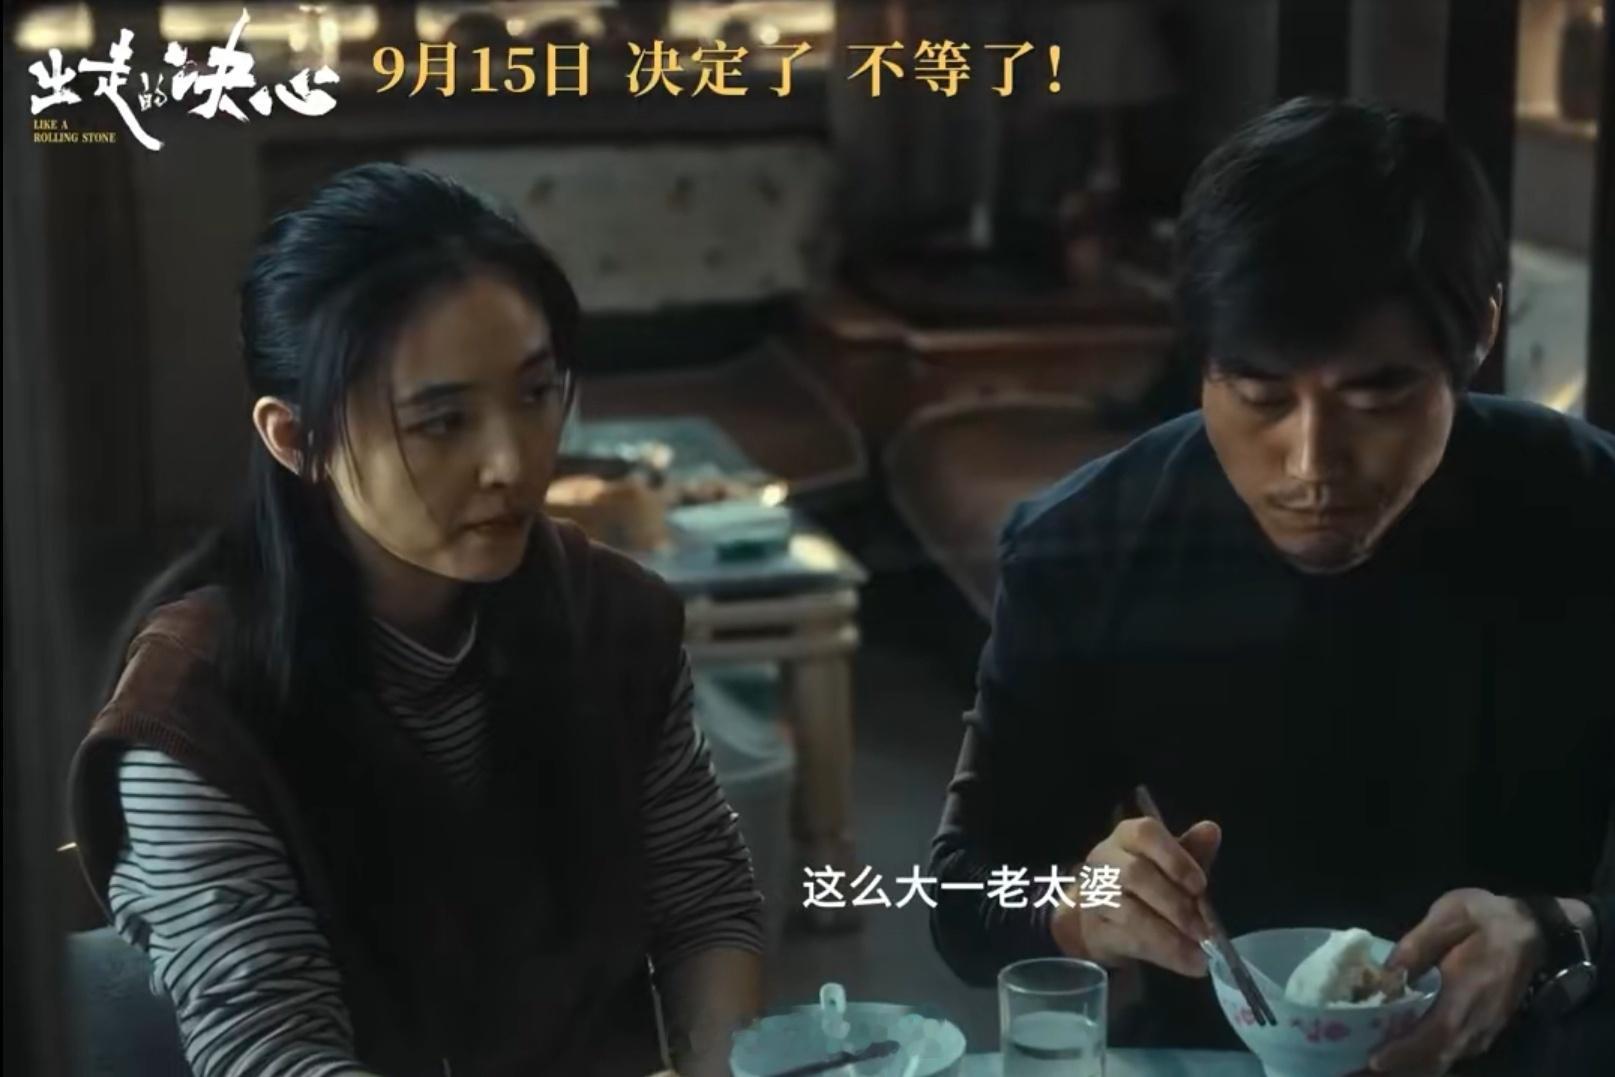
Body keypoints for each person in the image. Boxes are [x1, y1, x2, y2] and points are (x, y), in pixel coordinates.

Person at [929, 97, 1614, 1075]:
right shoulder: (1089, 545)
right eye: (1258, 396)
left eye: (1376, 395)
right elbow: (961, 893)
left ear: (1476, 334)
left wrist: (1559, 928)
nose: (1310, 465)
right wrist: (1078, 903)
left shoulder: (1589, 513)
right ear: (1201, 362)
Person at [69, 163, 763, 1077]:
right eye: (441, 422)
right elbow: (274, 1052)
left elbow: (704, 903)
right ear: (295, 439)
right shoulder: (194, 713)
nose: (511, 461)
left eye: (534, 393)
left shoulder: (611, 616)